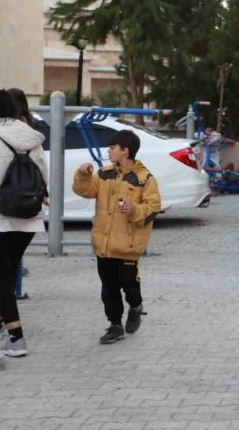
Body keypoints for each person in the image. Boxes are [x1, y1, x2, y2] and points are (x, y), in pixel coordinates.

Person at [73, 130, 162, 345]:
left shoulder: (144, 178)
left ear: (125, 151)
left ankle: (136, 306)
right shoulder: (104, 174)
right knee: (108, 287)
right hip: (104, 243)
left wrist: (133, 210)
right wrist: (83, 174)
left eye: (112, 147)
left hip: (128, 245)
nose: (108, 151)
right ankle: (115, 325)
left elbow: (153, 208)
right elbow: (83, 190)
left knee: (129, 285)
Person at [0, 89, 48, 357]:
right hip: (28, 219)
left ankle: (16, 338)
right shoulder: (32, 138)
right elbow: (43, 172)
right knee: (7, 272)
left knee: (2, 277)